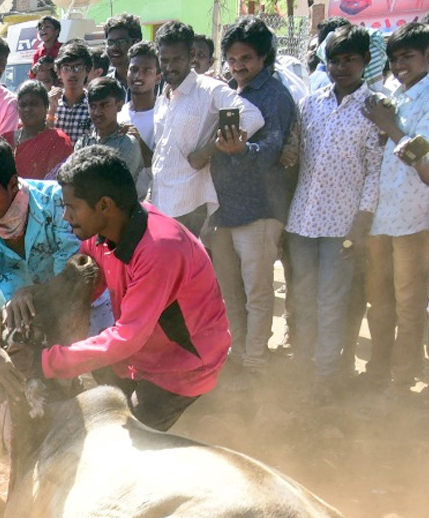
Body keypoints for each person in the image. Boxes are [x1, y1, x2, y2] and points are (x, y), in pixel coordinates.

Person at [6, 146, 229, 431]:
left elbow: (126, 338)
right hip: (144, 357)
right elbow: (80, 285)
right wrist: (30, 295)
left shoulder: (160, 249)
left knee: (120, 442)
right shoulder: (105, 233)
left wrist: (43, 362)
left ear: (105, 206)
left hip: (183, 370)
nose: (65, 216)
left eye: (72, 207)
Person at [197, 16, 297, 383]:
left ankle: (255, 360)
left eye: (246, 59)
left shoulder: (276, 96)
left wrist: (242, 150)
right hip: (225, 209)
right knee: (229, 291)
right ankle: (237, 352)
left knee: (257, 290)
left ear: (263, 58)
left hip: (260, 210)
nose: (238, 66)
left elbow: (272, 150)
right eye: (233, 60)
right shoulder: (228, 93)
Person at [286, 25, 383, 399]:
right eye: (335, 60)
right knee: (303, 299)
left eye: (350, 60)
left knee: (331, 301)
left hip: (342, 225)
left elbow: (375, 171)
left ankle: (324, 379)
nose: (342, 67)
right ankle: (301, 369)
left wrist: (363, 221)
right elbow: (297, 158)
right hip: (301, 221)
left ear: (365, 62)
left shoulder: (373, 110)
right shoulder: (311, 103)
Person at [0, 134, 85, 355]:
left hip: (81, 328)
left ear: (12, 184)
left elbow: (74, 278)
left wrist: (31, 292)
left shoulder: (59, 203)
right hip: (24, 346)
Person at [359, 22, 429, 397]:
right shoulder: (394, 92)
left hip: (414, 220)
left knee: (409, 304)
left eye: (408, 56)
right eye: (395, 58)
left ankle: (401, 381)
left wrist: (392, 127)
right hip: (382, 217)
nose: (400, 64)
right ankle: (377, 370)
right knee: (379, 301)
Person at [151, 19, 263, 236]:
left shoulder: (209, 89)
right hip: (161, 199)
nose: (170, 67)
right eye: (164, 60)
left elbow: (252, 117)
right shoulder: (164, 95)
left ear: (191, 55)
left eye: (177, 59)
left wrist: (209, 150)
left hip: (190, 202)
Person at [76, 76, 143, 185]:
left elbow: (117, 186)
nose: (97, 112)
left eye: (104, 105)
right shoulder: (84, 142)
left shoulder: (127, 143)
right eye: (93, 106)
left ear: (119, 105)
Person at [118, 41, 160, 199]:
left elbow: (158, 166)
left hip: (151, 203)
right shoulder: (119, 113)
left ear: (157, 77)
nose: (138, 76)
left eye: (147, 71)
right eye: (134, 69)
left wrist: (138, 142)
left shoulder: (164, 115)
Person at [7, 79, 72, 179]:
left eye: (34, 104)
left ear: (46, 106)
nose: (28, 109)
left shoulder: (58, 140)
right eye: (23, 105)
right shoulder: (6, 140)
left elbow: (57, 183)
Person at [49, 41, 93, 147]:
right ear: (58, 72)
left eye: (78, 68)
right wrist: (51, 111)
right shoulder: (51, 102)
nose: (72, 74)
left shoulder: (93, 104)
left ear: (87, 70)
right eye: (66, 68)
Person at [103, 13, 143, 99]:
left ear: (136, 43)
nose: (114, 47)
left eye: (121, 42)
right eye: (110, 43)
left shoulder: (155, 83)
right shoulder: (105, 86)